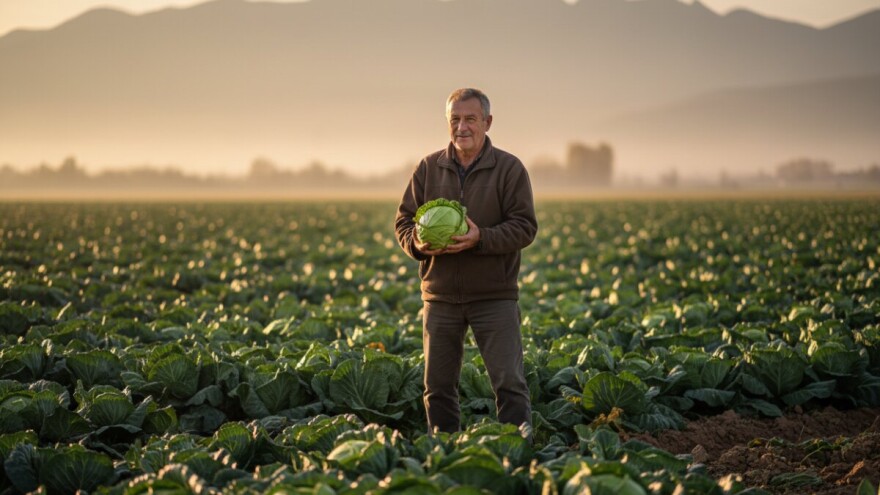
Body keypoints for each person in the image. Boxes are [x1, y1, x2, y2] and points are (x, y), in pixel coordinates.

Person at [394, 88, 538, 435]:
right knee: (438, 389)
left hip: (494, 296)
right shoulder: (428, 168)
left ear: (487, 123)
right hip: (440, 297)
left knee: (509, 385)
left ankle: (518, 456)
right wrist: (418, 242)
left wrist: (481, 239)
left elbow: (524, 227)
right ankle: (444, 457)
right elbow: (404, 222)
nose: (462, 127)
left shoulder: (509, 169)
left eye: (470, 119)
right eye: (455, 119)